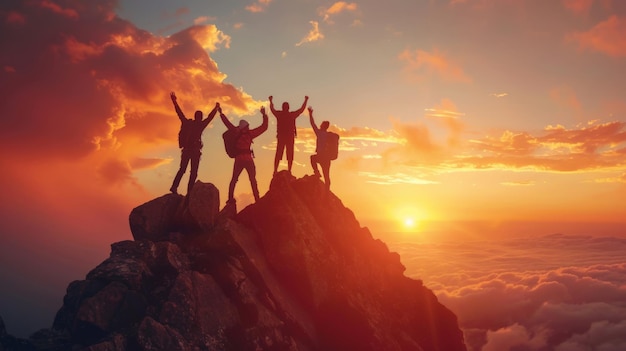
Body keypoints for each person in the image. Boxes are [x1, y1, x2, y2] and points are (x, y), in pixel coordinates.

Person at [169, 92, 219, 195]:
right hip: (195, 152)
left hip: (186, 150)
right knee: (193, 173)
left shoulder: (187, 123)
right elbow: (210, 117)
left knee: (182, 170)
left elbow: (180, 113)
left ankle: (174, 187)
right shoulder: (201, 125)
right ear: (200, 117)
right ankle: (190, 192)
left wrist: (174, 101)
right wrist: (216, 108)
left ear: (195, 116)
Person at [220, 106, 269, 204]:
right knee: (253, 180)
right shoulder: (250, 134)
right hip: (248, 160)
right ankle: (257, 199)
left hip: (239, 159)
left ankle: (230, 199)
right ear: (246, 126)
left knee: (234, 179)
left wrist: (221, 113)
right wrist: (264, 115)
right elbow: (264, 127)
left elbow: (227, 123)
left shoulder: (236, 132)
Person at [269, 95, 309, 175]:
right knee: (288, 154)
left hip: (283, 137)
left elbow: (272, 109)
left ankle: (276, 170)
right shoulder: (291, 115)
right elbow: (301, 110)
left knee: (280, 153)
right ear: (288, 108)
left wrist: (271, 101)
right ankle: (287, 170)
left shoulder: (280, 114)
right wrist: (305, 100)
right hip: (288, 137)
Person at [308, 106, 333, 191]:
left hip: (321, 156)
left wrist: (310, 114)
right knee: (326, 175)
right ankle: (327, 191)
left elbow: (312, 124)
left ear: (323, 126)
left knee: (312, 158)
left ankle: (317, 172)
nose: (320, 125)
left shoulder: (319, 133)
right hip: (327, 158)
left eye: (321, 124)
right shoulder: (329, 135)